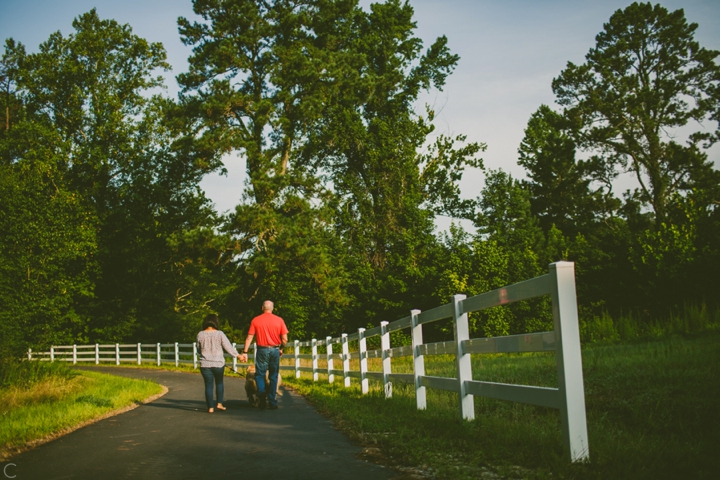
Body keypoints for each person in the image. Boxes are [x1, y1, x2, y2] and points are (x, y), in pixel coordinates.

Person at [239, 300, 288, 410]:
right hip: (275, 349)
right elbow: (285, 339)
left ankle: (261, 392)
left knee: (260, 374)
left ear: (262, 308)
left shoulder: (256, 320)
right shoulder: (279, 320)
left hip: (262, 350)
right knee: (273, 375)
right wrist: (281, 348)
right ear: (273, 308)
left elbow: (249, 337)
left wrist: (245, 352)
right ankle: (272, 401)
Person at [197, 313, 242, 413]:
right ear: (216, 322)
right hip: (218, 364)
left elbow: (198, 349)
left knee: (208, 385)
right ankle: (219, 404)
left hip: (205, 364)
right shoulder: (220, 334)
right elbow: (228, 347)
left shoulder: (200, 334)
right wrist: (238, 356)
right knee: (219, 382)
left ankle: (210, 408)